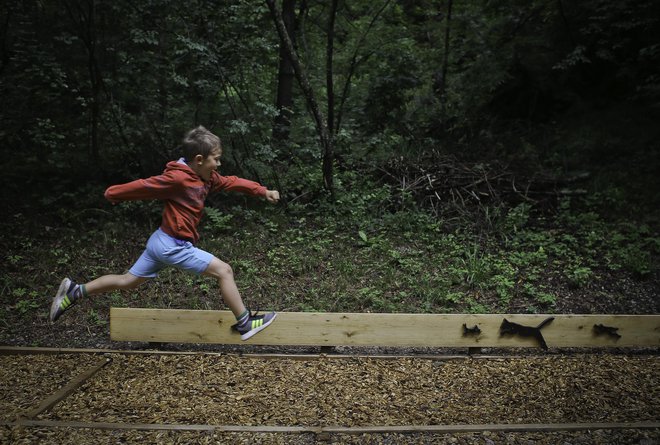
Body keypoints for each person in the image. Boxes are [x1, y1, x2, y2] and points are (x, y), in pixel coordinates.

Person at [50, 126, 279, 341]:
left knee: (127, 281)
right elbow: (146, 186)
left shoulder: (206, 178)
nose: (219, 164)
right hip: (172, 245)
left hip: (160, 240)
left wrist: (262, 191)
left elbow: (232, 182)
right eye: (216, 159)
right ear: (199, 160)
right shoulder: (178, 178)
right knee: (224, 271)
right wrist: (114, 193)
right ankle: (245, 322)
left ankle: (75, 291)